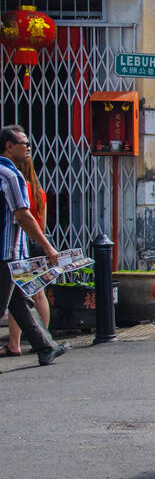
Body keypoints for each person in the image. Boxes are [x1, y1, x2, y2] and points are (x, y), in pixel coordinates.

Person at [0, 126, 65, 366]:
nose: (28, 148)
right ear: (8, 145)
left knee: (19, 303)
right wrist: (48, 247)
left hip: (12, 253)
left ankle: (45, 346)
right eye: (24, 143)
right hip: (6, 253)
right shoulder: (10, 175)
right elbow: (23, 215)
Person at [5, 149, 51, 355]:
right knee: (33, 295)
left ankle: (15, 343)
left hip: (16, 246)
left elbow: (22, 217)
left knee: (20, 296)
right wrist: (45, 245)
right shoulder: (38, 193)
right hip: (31, 244)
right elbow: (41, 223)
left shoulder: (12, 183)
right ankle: (44, 342)